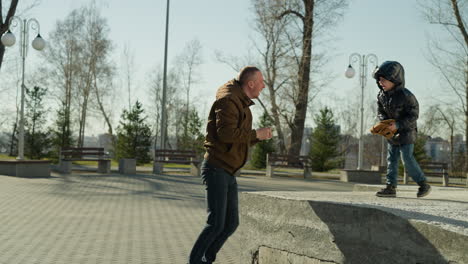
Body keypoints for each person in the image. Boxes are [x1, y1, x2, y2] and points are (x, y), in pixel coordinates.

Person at [188, 66, 272, 264]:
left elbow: (237, 138)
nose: (263, 86)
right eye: (261, 82)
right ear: (250, 84)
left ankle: (206, 259)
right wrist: (255, 134)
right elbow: (225, 134)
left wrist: (258, 137)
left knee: (230, 224)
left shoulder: (241, 102)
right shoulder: (229, 100)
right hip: (217, 168)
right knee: (216, 224)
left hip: (228, 170)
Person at [373, 61, 431, 198]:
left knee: (407, 158)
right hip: (391, 132)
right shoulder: (381, 96)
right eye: (379, 80)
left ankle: (423, 184)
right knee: (391, 159)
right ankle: (390, 186)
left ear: (394, 79)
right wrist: (384, 122)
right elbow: (380, 111)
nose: (381, 82)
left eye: (384, 80)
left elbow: (414, 115)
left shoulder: (406, 95)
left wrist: (398, 125)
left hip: (407, 132)